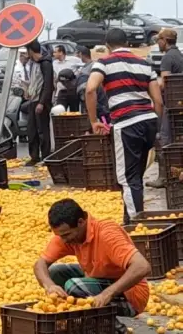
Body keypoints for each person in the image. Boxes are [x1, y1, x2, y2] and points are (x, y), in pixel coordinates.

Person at [34, 199, 150, 334]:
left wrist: (107, 293)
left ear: (80, 222)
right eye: (60, 236)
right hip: (98, 279)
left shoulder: (107, 234)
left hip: (131, 296)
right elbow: (40, 264)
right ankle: (82, 323)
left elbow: (142, 266)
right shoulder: (68, 234)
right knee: (55, 273)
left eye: (66, 235)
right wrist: (49, 285)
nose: (63, 240)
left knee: (74, 286)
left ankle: (119, 332)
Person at [86, 28, 162, 224]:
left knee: (128, 178)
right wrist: (156, 126)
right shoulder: (144, 64)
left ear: (107, 46)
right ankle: (130, 217)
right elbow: (158, 100)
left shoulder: (104, 63)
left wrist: (94, 121)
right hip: (149, 121)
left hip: (127, 124)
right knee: (136, 174)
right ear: (127, 43)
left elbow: (90, 89)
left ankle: (136, 224)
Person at [147, 29, 183, 188]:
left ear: (165, 40)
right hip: (179, 103)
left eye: (159, 40)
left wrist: (151, 92)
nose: (158, 44)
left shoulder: (167, 58)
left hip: (170, 104)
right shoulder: (179, 55)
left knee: (164, 139)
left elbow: (164, 82)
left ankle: (163, 178)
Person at [25, 40, 54, 165]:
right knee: (31, 130)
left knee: (43, 130)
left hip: (41, 101)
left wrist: (42, 102)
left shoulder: (46, 63)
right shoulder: (33, 63)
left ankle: (45, 156)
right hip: (33, 99)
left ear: (31, 51)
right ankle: (34, 156)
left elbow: (48, 85)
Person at [75, 45, 110, 120]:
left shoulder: (93, 66)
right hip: (89, 99)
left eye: (77, 54)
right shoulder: (86, 66)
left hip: (96, 100)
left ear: (81, 54)